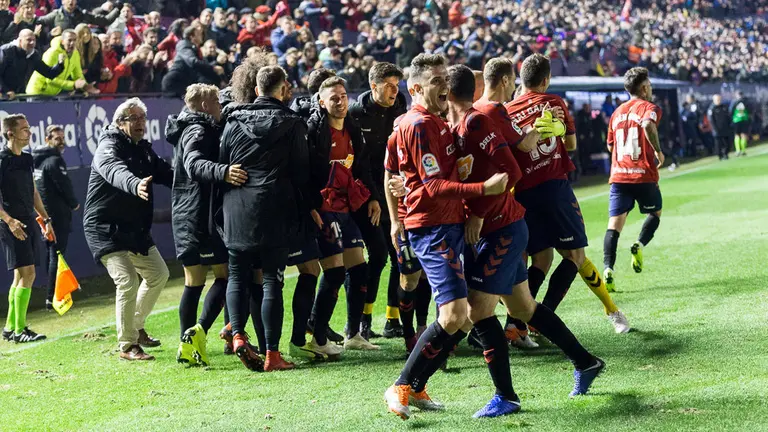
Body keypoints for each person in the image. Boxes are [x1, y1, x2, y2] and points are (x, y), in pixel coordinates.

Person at [450, 64, 606, 416]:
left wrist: (476, 211)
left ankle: (504, 394)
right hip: (509, 219)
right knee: (523, 308)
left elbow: (513, 166)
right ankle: (585, 362)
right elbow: (519, 150)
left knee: (477, 310)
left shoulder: (487, 114)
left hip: (502, 222)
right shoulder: (488, 114)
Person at [382, 53, 510, 420]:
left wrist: (404, 185)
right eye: (436, 80)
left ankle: (418, 385)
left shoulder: (428, 123)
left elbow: (394, 167)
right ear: (417, 87)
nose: (444, 85)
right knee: (454, 313)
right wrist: (483, 189)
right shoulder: (419, 125)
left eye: (445, 78)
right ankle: (402, 384)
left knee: (464, 316)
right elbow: (433, 184)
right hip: (432, 227)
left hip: (450, 224)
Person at [504, 54, 630, 334]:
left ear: (520, 79)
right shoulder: (552, 102)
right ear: (546, 80)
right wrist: (560, 130)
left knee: (542, 259)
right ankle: (602, 311)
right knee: (575, 256)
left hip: (522, 195)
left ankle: (515, 325)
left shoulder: (507, 112)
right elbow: (571, 144)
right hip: (553, 188)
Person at [218, 65, 310, 372]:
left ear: (256, 90)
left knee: (237, 274)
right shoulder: (292, 123)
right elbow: (301, 170)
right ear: (283, 90)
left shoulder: (233, 120)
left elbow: (224, 161)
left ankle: (239, 335)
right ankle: (272, 354)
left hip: (237, 205)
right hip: (274, 205)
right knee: (271, 280)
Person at [165, 83, 248, 367]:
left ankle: (187, 343)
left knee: (196, 281)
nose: (220, 106)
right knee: (222, 276)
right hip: (199, 217)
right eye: (216, 101)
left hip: (188, 215)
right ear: (204, 106)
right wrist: (223, 172)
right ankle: (195, 334)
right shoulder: (197, 130)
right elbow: (193, 164)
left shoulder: (190, 127)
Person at [83, 98, 173, 361]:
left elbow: (169, 174)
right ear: (119, 122)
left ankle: (136, 326)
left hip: (133, 229)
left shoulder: (143, 150)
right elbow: (113, 170)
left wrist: (203, 178)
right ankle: (127, 346)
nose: (140, 124)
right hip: (104, 228)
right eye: (133, 119)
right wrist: (135, 185)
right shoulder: (107, 146)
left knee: (158, 274)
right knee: (127, 280)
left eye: (142, 119)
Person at [306, 76, 381, 351]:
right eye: (333, 98)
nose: (340, 102)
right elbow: (306, 172)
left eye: (343, 96)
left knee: (359, 269)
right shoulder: (314, 130)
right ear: (321, 102)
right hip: (324, 209)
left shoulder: (352, 128)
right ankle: (317, 337)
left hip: (346, 209)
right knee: (335, 273)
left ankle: (353, 334)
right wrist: (310, 205)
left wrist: (373, 197)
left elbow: (362, 168)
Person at [347, 62, 409, 340]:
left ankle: (392, 319)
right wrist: (372, 195)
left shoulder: (400, 106)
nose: (395, 91)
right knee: (378, 256)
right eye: (389, 86)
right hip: (367, 196)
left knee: (400, 257)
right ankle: (361, 319)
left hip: (395, 193)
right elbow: (359, 164)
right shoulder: (355, 114)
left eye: (397, 85)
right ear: (374, 86)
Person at [603, 67, 664, 292]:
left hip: (619, 177)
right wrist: (658, 151)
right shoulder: (650, 108)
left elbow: (610, 145)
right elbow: (648, 124)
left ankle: (608, 268)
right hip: (643, 174)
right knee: (654, 213)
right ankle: (638, 244)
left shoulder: (616, 113)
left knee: (614, 226)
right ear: (645, 87)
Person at [0, 114, 53, 343]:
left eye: (29, 128)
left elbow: (33, 192)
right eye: (24, 129)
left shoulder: (28, 158)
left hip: (28, 220)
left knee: (20, 275)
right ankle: (20, 331)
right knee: (28, 274)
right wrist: (9, 221)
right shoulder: (2, 160)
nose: (29, 133)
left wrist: (45, 219)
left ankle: (11, 327)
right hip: (11, 224)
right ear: (10, 133)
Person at [32, 125, 78, 311]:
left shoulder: (38, 161)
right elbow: (64, 185)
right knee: (57, 255)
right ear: (47, 140)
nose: (61, 141)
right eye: (57, 138)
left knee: (52, 254)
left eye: (62, 137)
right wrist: (74, 203)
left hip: (45, 214)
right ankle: (53, 297)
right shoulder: (54, 161)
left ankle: (51, 296)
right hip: (56, 216)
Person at [26, 30, 99, 96]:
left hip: (52, 94)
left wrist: (85, 86)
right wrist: (73, 85)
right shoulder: (52, 53)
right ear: (62, 41)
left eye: (75, 40)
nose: (72, 43)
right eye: (69, 40)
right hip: (37, 93)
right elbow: (49, 79)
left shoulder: (75, 54)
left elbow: (77, 74)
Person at [161, 25, 225, 97]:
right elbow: (193, 62)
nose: (202, 36)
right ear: (192, 37)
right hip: (174, 83)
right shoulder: (184, 44)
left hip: (184, 83)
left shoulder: (194, 48)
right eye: (199, 34)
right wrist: (213, 68)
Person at [0, 29, 65, 97]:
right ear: (20, 40)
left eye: (34, 40)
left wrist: (60, 64)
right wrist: (6, 90)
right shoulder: (5, 51)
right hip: (3, 96)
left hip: (19, 95)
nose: (32, 43)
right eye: (29, 40)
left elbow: (49, 73)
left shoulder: (33, 55)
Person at [38, 0, 120, 31]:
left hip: (78, 51)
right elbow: (38, 21)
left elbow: (105, 21)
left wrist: (117, 10)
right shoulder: (55, 15)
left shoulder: (83, 15)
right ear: (62, 1)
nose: (71, 1)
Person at [707, 94, 731, 160]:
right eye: (717, 99)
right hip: (717, 129)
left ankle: (725, 153)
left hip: (725, 128)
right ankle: (720, 155)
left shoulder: (724, 107)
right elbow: (711, 120)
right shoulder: (712, 109)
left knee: (728, 143)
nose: (719, 101)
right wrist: (715, 129)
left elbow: (728, 117)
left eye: (719, 99)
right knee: (718, 144)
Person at [730, 90, 749, 156]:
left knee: (737, 135)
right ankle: (743, 150)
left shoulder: (734, 102)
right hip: (744, 119)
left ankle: (738, 150)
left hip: (736, 120)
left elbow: (730, 111)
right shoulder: (746, 101)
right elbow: (750, 110)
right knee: (743, 135)